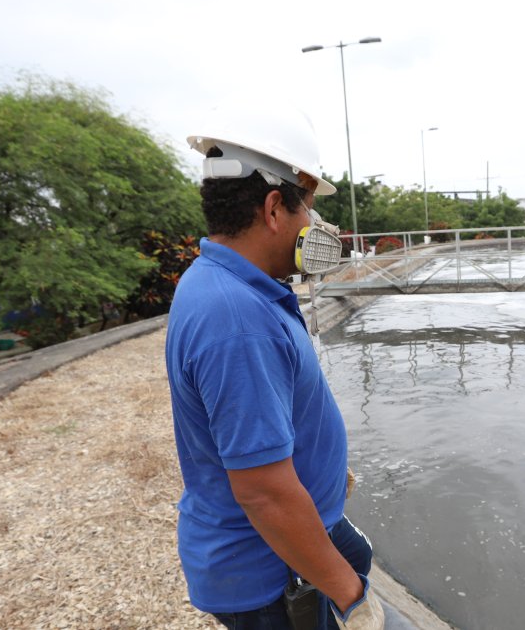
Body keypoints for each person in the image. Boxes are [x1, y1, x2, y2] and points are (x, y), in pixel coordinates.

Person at [164, 104, 384, 630]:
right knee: (356, 579)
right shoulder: (238, 319)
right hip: (273, 578)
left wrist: (326, 470)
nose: (315, 224)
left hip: (287, 543)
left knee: (358, 552)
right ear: (272, 208)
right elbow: (264, 492)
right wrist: (351, 599)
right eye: (308, 206)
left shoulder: (227, 282)